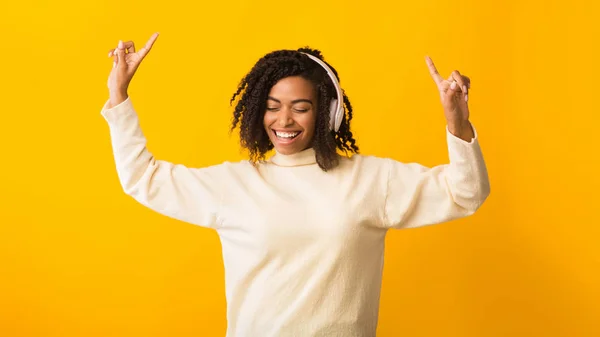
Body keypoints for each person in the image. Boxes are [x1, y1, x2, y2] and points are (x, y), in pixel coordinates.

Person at [102, 32, 490, 337]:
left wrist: (457, 122)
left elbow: (466, 193)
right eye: (272, 106)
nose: (283, 120)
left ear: (329, 113)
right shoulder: (235, 184)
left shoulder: (372, 180)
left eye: (301, 108)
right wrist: (118, 96)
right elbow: (143, 179)